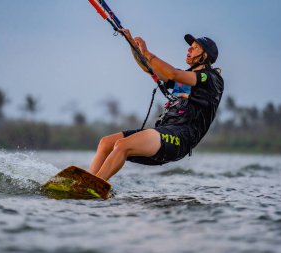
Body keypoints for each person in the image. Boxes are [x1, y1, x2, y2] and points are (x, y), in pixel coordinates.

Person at [89, 29, 224, 181]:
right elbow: (150, 69)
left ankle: (94, 185)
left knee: (121, 145)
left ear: (205, 56)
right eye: (190, 46)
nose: (189, 49)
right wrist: (133, 46)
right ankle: (87, 182)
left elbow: (173, 73)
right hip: (164, 131)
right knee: (106, 143)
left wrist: (146, 52)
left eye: (196, 47)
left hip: (181, 138)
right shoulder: (187, 79)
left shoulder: (211, 78)